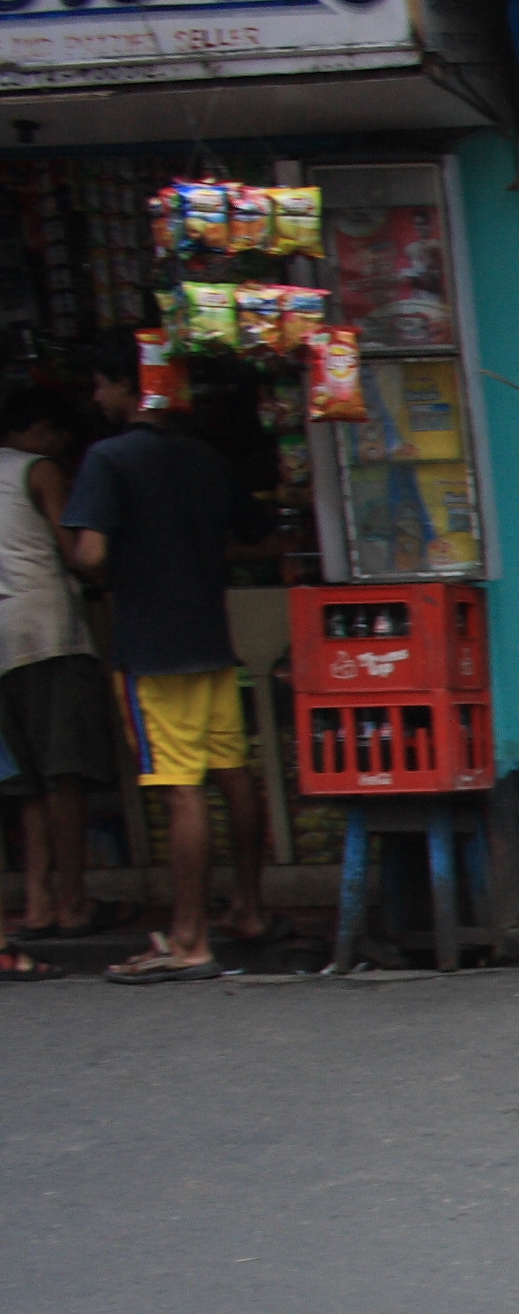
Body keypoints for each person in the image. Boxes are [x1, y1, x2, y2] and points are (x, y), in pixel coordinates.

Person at [65, 351, 270, 983]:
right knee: (234, 775)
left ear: (126, 385)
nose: (97, 397)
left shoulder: (107, 459)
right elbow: (255, 534)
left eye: (100, 382)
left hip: (152, 648)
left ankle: (188, 939)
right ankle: (249, 908)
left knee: (181, 788)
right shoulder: (206, 458)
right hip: (211, 638)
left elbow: (93, 553)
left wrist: (79, 556)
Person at [3, 385, 122, 972]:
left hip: (1, 644)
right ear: (42, 429)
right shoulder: (40, 470)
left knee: (27, 785)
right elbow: (76, 551)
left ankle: (37, 905)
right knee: (64, 774)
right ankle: (73, 903)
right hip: (47, 633)